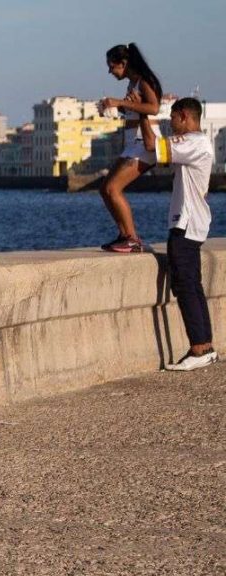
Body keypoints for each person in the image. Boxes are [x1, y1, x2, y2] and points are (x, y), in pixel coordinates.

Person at [138, 98, 218, 370]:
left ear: (184, 116)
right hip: (192, 223)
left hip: (186, 224)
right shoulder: (197, 145)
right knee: (192, 286)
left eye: (172, 120)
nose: (171, 126)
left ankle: (198, 348)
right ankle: (205, 347)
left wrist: (142, 114)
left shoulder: (194, 142)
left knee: (185, 286)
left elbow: (152, 147)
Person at [98, 43, 164, 253]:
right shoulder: (132, 84)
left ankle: (132, 239)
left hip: (143, 144)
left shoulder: (144, 81)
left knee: (113, 188)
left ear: (123, 63)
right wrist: (114, 109)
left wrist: (120, 102)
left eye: (112, 66)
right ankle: (124, 235)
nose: (110, 71)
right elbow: (134, 111)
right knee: (104, 189)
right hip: (132, 145)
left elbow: (153, 108)